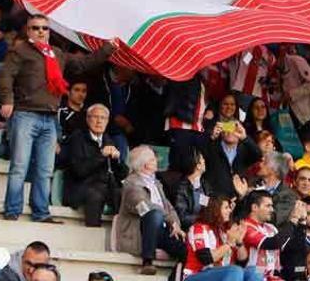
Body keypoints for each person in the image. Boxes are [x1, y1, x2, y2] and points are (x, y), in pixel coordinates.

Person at [0, 13, 113, 222]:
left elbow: (83, 64)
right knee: (20, 166)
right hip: (25, 114)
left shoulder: (57, 53)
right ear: (28, 31)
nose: (41, 31)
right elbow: (5, 75)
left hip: (50, 118)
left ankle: (41, 213)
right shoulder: (20, 50)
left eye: (45, 28)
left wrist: (108, 49)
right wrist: (7, 100)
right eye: (36, 28)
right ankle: (12, 210)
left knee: (45, 169)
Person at [115, 145, 186, 274]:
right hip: (140, 233)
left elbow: (169, 207)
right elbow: (145, 206)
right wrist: (169, 220)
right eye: (153, 160)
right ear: (144, 165)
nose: (156, 162)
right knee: (154, 215)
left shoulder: (156, 183)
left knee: (186, 249)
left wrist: (176, 224)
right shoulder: (131, 184)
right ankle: (147, 261)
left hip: (162, 231)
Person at [63, 104, 126, 227]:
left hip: (106, 186)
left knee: (124, 194)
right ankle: (93, 230)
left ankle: (122, 234)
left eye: (103, 118)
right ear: (87, 119)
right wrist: (101, 156)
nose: (99, 121)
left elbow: (122, 174)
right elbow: (79, 171)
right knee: (96, 194)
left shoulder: (109, 140)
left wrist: (117, 160)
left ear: (107, 121)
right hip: (80, 187)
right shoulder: (77, 138)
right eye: (95, 117)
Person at [183, 196, 253, 281]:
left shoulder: (223, 231)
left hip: (220, 274)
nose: (230, 211)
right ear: (215, 210)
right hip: (196, 275)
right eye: (226, 208)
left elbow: (242, 262)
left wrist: (239, 241)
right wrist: (229, 243)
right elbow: (205, 258)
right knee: (234, 271)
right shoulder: (198, 228)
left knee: (252, 272)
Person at [242, 190, 302, 281]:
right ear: (254, 207)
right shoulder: (245, 226)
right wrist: (294, 219)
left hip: (274, 276)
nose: (272, 210)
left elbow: (290, 246)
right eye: (268, 206)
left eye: (272, 206)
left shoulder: (271, 227)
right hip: (254, 275)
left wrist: (302, 223)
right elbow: (271, 243)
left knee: (300, 269)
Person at [255, 151, 298, 227]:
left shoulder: (288, 195)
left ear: (273, 170)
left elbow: (276, 219)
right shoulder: (252, 184)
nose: (260, 165)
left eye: (264, 163)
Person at [174, 150, 212, 231]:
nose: (204, 161)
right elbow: (182, 217)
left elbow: (210, 206)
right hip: (190, 230)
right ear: (197, 165)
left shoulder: (205, 185)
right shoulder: (182, 187)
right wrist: (202, 220)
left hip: (206, 227)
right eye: (202, 159)